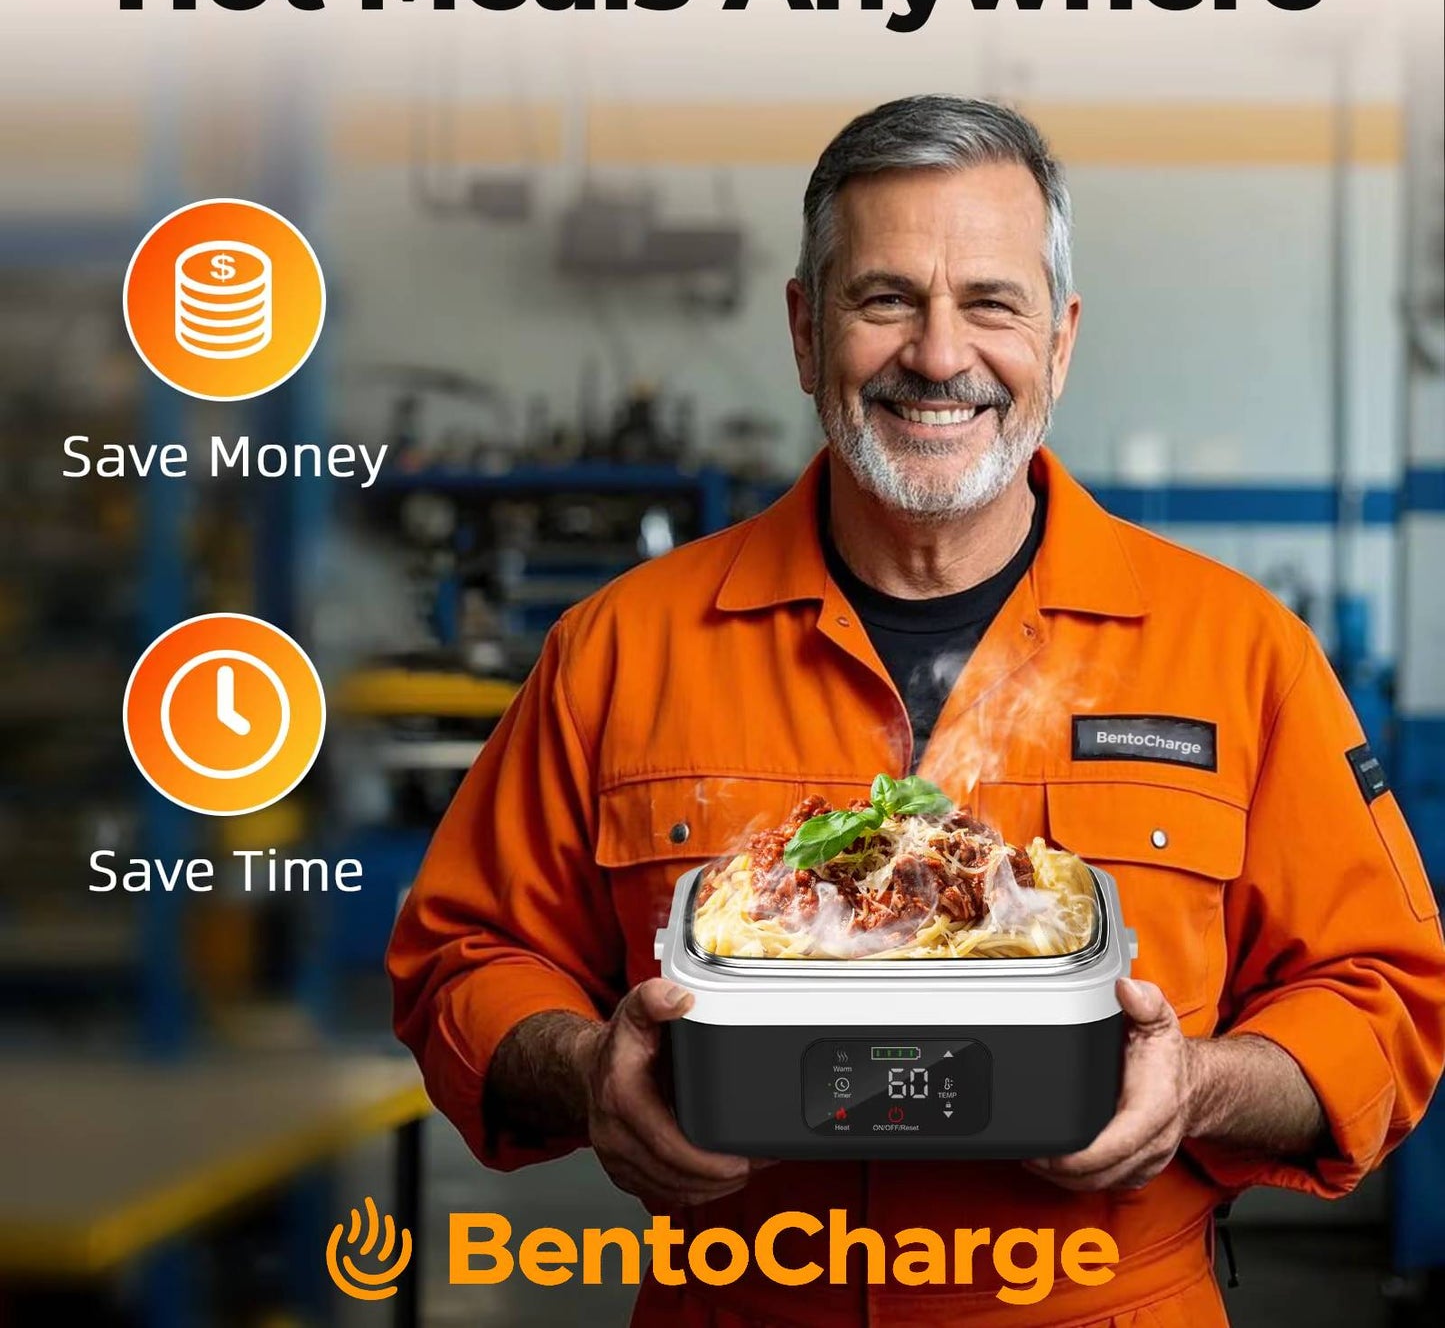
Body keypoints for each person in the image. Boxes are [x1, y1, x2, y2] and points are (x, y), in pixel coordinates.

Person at [388, 95, 1445, 1327]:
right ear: (803, 328)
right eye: (883, 297)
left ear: (1057, 339)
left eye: (990, 302)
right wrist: (587, 1072)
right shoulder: (619, 648)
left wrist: (1195, 1086)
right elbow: (462, 961)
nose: (938, 355)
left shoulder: (1238, 651)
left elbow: (1381, 996)